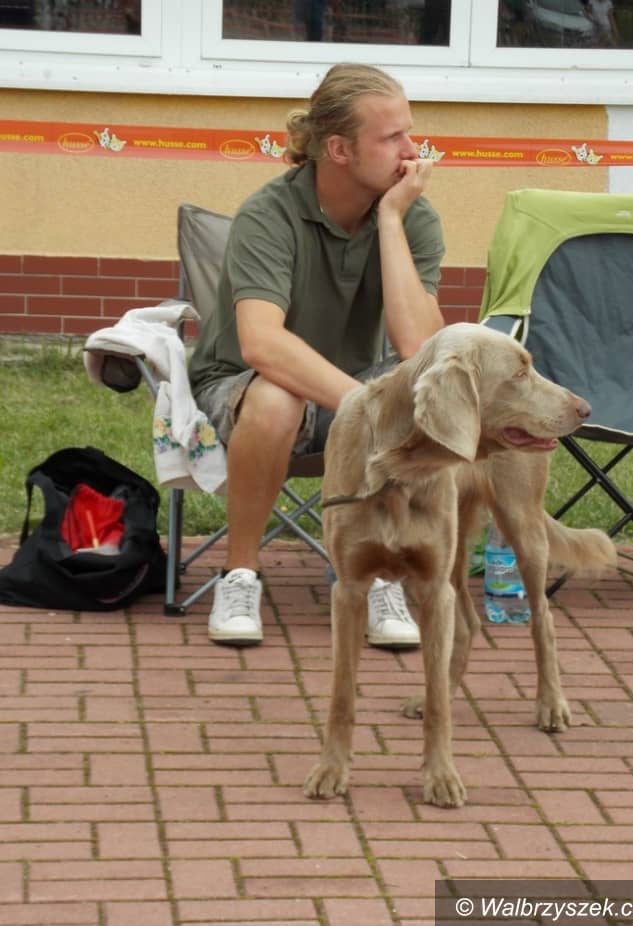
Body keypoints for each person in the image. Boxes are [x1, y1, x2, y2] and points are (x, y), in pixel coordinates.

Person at [189, 63, 445, 649]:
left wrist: (390, 220)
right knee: (278, 397)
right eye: (392, 138)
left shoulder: (413, 216)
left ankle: (381, 576)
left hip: (346, 386)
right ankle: (240, 576)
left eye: (409, 132)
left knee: (415, 387)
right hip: (242, 387)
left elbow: (420, 349)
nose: (413, 151)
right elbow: (261, 344)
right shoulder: (269, 214)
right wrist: (363, 403)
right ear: (338, 149)